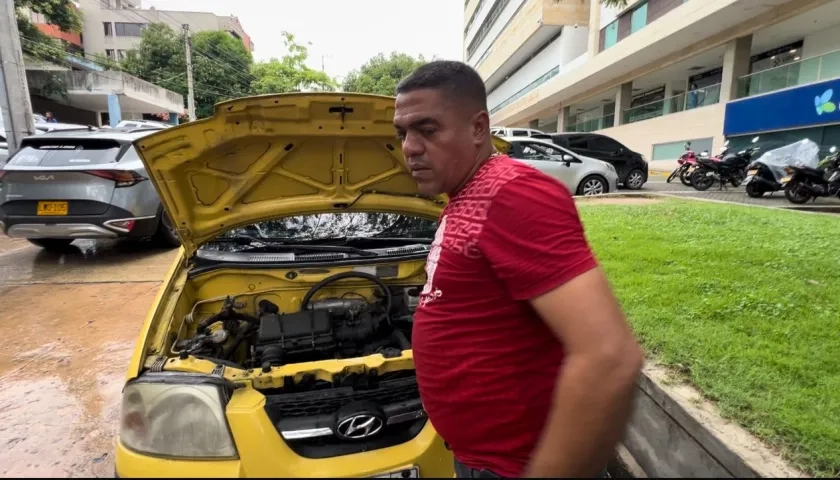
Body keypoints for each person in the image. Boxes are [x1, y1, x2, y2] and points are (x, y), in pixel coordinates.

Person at [393, 60, 644, 479]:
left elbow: (609, 357)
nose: (409, 147)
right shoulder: (465, 194)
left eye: (427, 129)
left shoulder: (513, 194)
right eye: (403, 133)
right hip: (484, 458)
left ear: (478, 128)